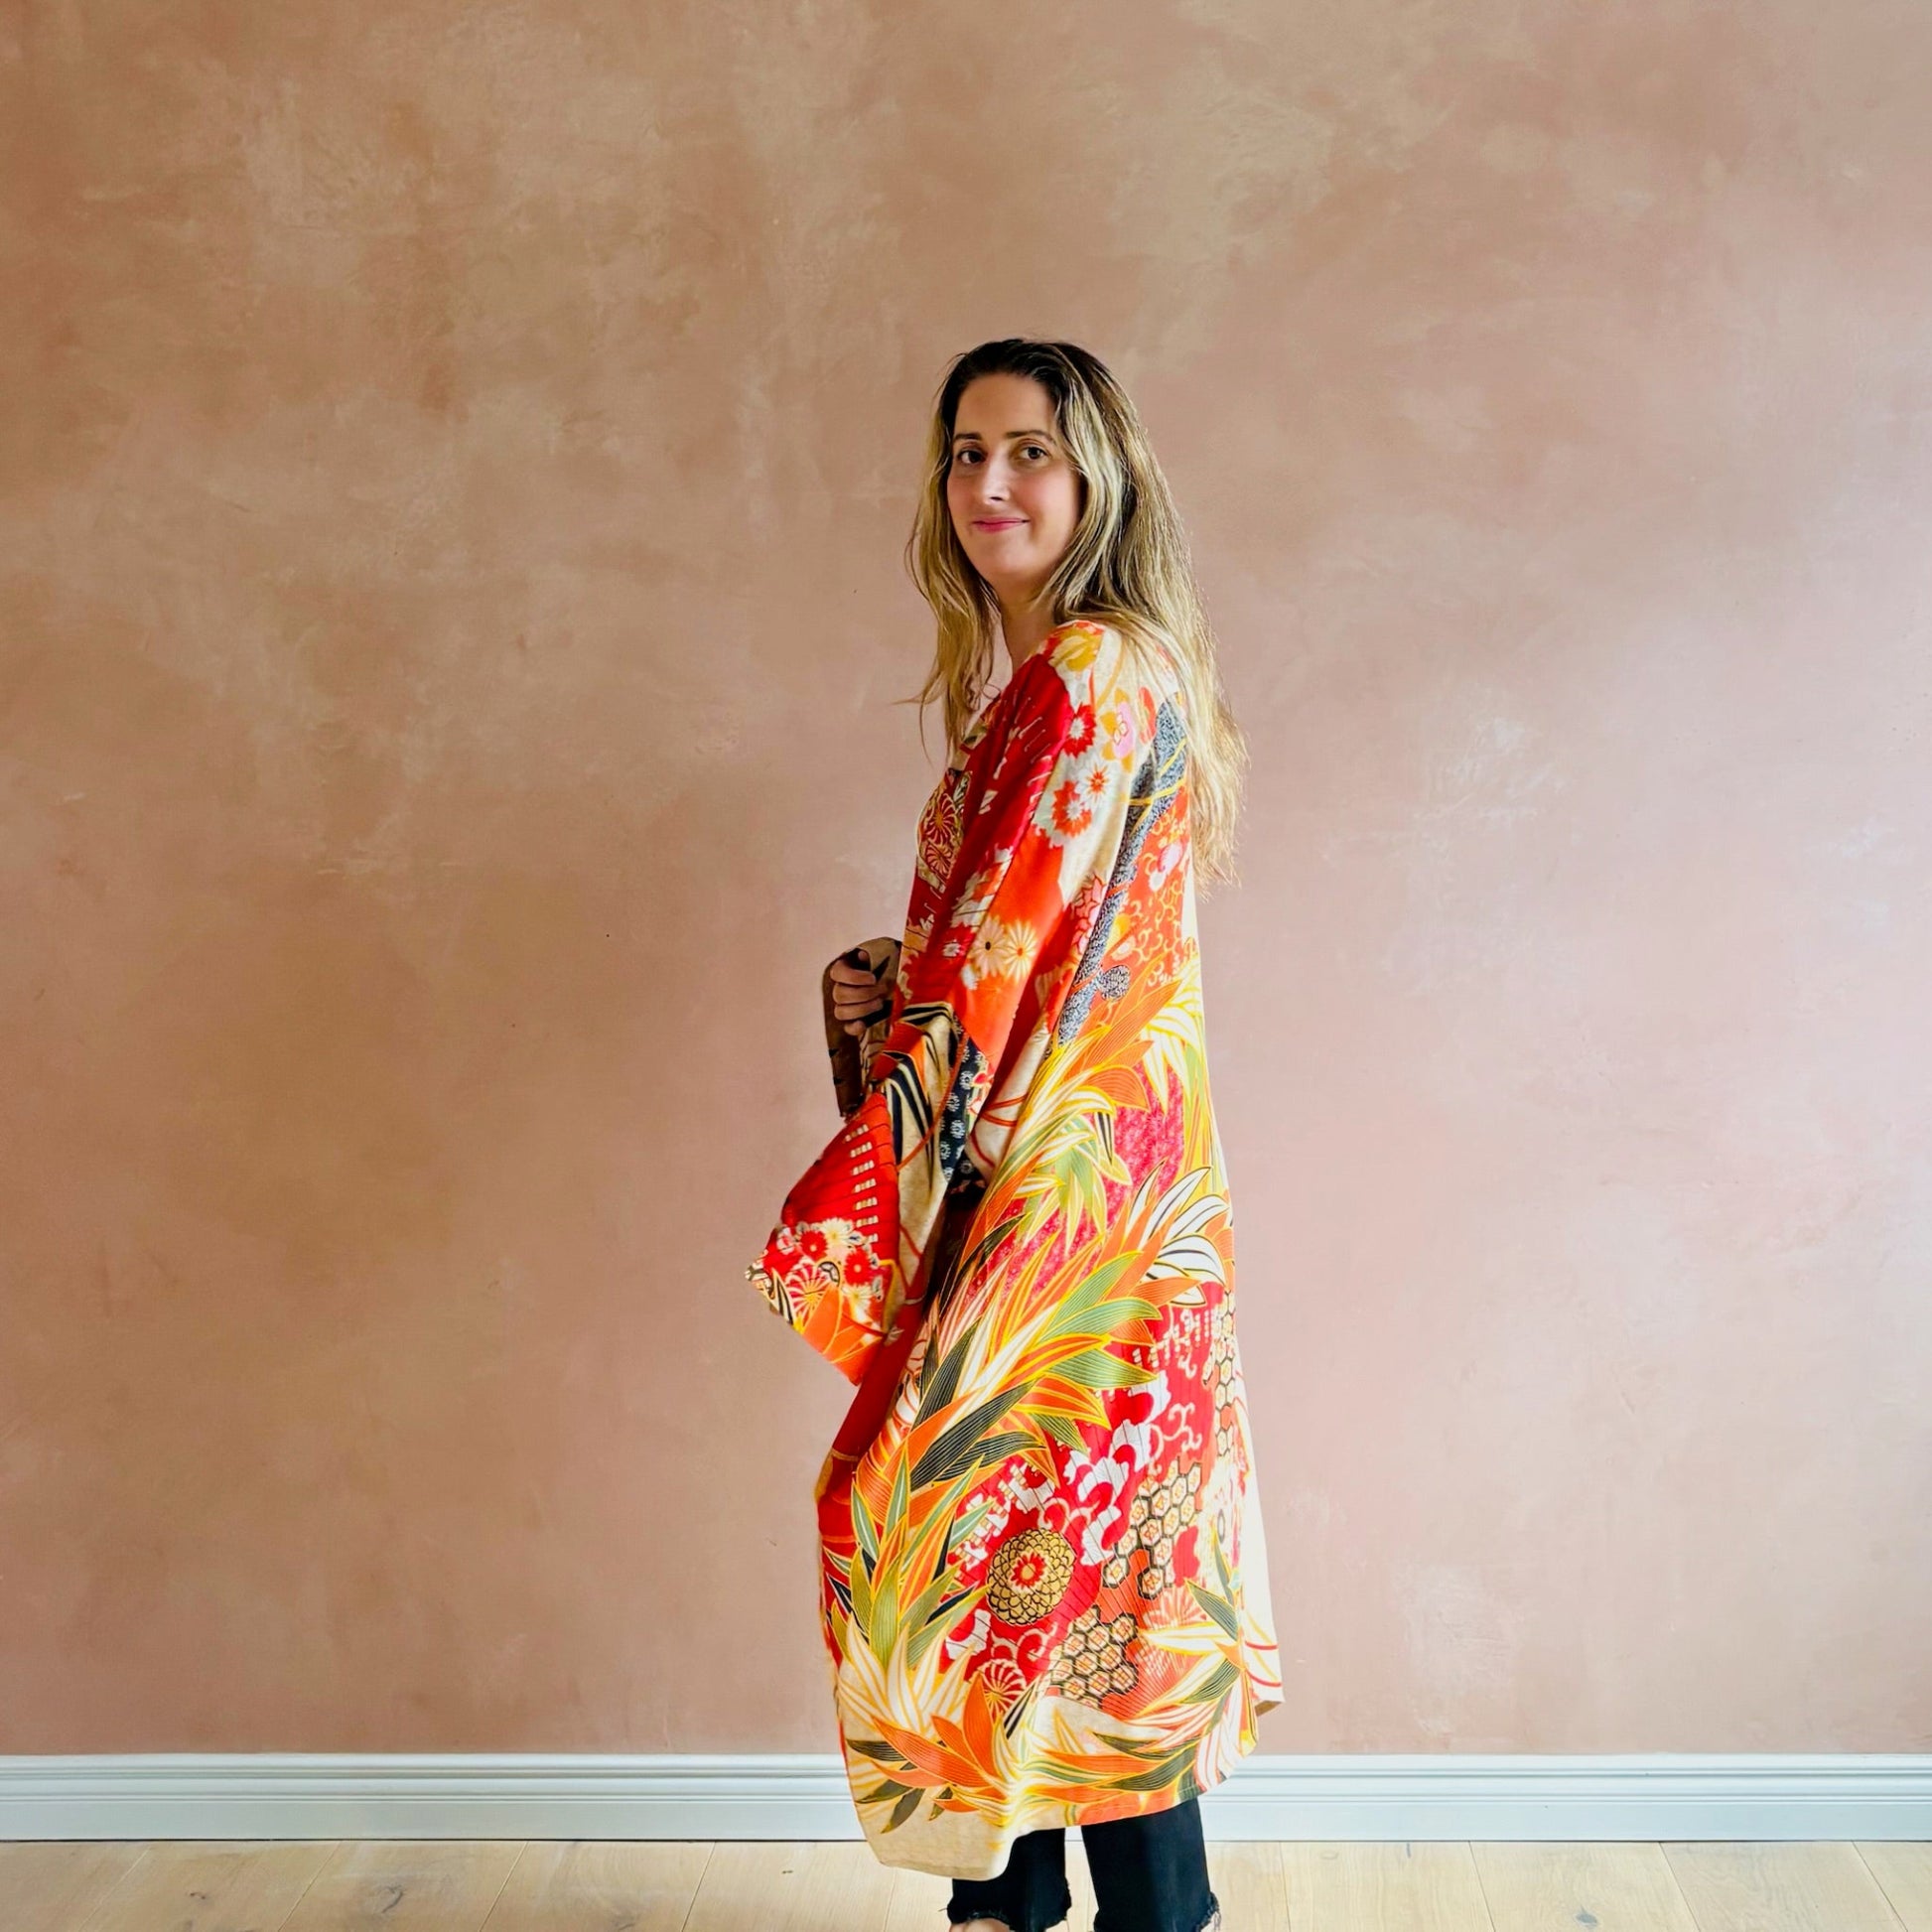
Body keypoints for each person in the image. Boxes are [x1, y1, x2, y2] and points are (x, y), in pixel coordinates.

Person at [748, 338, 1281, 1932]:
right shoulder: (1092, 675)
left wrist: (880, 1110)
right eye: (964, 453)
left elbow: (995, 957)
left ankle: (1114, 1910)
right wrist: (890, 986)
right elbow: (1023, 943)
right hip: (1114, 1184)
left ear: (1097, 472)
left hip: (1063, 1202)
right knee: (1053, 1545)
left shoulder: (1085, 675)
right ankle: (1015, 1902)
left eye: (1027, 452)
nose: (989, 484)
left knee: (1002, 1527)